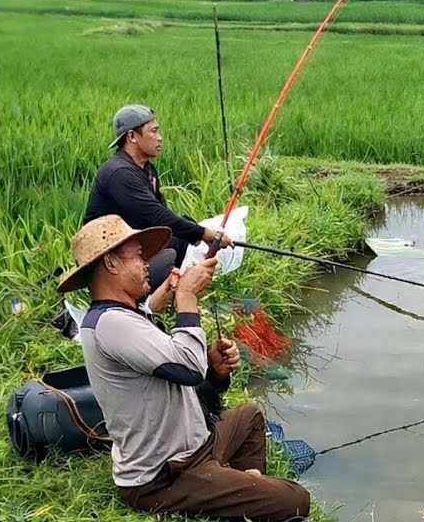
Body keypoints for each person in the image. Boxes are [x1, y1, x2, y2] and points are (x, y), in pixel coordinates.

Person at [58, 215, 311, 522]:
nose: (146, 263)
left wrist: (214, 371)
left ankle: (245, 495)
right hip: (164, 475)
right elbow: (188, 368)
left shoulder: (131, 315)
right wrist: (186, 297)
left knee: (249, 417)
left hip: (194, 447)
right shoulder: (111, 324)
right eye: (138, 255)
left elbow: (187, 381)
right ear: (111, 263)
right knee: (296, 500)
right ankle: (246, 494)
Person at [84, 104, 232, 289]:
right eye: (153, 132)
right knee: (170, 255)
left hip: (131, 246)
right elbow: (155, 215)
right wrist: (205, 234)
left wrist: (196, 232)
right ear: (132, 137)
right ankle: (153, 301)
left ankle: (174, 291)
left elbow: (161, 221)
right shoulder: (120, 173)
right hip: (109, 260)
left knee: (181, 237)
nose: (160, 138)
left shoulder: (146, 169)